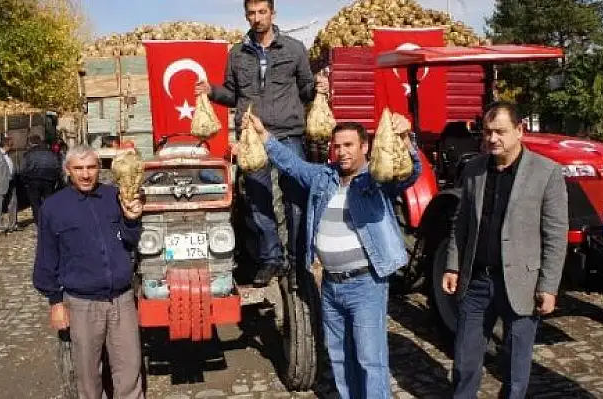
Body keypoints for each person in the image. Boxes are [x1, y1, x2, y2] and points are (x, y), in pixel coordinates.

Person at [243, 112, 421, 399]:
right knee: (339, 356)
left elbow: (409, 173)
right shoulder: (324, 177)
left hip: (365, 285)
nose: (342, 152)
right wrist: (264, 136)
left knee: (369, 360)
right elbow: (292, 165)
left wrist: (405, 140)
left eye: (349, 145)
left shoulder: (376, 179)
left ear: (365, 147)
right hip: (330, 285)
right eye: (337, 146)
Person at [195, 0, 329, 285]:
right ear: (246, 15)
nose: (256, 18)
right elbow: (232, 94)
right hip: (251, 136)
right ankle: (271, 260)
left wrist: (318, 86)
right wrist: (211, 91)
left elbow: (305, 90)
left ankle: (296, 262)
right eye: (251, 13)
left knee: (296, 201)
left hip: (288, 134)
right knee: (257, 201)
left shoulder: (293, 49)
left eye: (262, 12)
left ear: (272, 13)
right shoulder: (237, 53)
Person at [442, 102, 568, 399]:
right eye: (487, 132)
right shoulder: (473, 169)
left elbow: (554, 235)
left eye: (500, 131)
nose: (492, 138)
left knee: (516, 365)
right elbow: (461, 223)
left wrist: (548, 286)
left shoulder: (546, 172)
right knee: (465, 358)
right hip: (477, 281)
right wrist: (452, 265)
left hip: (522, 283)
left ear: (519, 131)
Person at [32, 144, 144, 399]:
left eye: (91, 167)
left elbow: (130, 240)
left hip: (121, 300)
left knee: (130, 369)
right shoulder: (53, 207)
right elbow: (46, 259)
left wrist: (132, 220)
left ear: (99, 169)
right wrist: (55, 302)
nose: (85, 174)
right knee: (88, 376)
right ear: (67, 170)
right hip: (82, 304)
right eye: (78, 168)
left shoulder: (114, 196)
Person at [20, 135, 62, 225]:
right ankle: (49, 220)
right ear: (40, 141)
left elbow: (23, 169)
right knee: (49, 201)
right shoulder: (51, 153)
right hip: (49, 181)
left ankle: (39, 222)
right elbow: (57, 167)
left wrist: (24, 181)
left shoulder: (28, 154)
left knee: (35, 202)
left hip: (33, 181)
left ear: (31, 143)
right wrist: (56, 179)